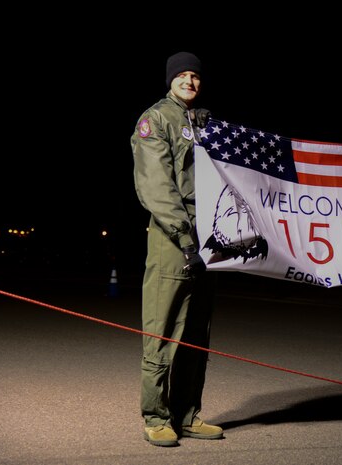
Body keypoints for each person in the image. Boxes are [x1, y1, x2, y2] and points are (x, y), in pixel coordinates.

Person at [131, 51, 223, 447]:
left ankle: (187, 414)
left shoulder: (201, 121)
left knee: (197, 333)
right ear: (170, 79)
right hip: (174, 240)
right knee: (163, 330)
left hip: (205, 241)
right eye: (183, 75)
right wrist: (185, 239)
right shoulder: (156, 120)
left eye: (196, 76)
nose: (190, 81)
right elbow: (157, 187)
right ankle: (156, 416)